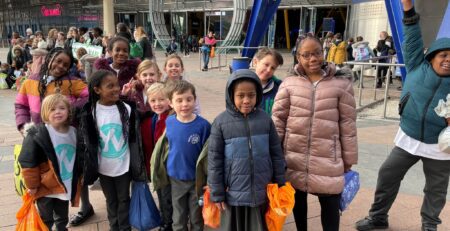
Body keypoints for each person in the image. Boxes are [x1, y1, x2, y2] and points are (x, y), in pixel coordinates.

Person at [355, 1, 450, 230]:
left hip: (439, 145)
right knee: (387, 174)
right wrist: (407, 8)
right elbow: (412, 34)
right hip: (407, 137)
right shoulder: (417, 64)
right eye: (444, 55)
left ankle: (429, 225)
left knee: (436, 189)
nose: (448, 60)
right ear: (433, 56)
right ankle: (378, 217)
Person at [272, 36, 358, 231]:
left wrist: (349, 157)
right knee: (298, 204)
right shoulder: (289, 84)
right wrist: (275, 153)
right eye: (307, 55)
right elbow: (278, 121)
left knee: (330, 207)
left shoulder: (341, 84)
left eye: (317, 53)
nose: (313, 59)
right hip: (293, 157)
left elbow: (348, 124)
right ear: (298, 57)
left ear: (324, 52)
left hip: (328, 158)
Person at [208, 69, 286, 230]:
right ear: (231, 96)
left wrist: (280, 183)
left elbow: (276, 153)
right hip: (233, 192)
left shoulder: (265, 119)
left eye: (251, 95)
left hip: (261, 190)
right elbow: (214, 161)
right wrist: (217, 192)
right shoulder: (220, 123)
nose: (246, 100)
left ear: (258, 94)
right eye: (240, 95)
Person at [79, 70, 147, 231]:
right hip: (104, 167)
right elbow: (87, 140)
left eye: (116, 85)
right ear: (97, 90)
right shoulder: (91, 112)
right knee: (110, 200)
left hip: (124, 165)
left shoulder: (126, 109)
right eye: (110, 86)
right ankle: (114, 226)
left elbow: (137, 130)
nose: (116, 89)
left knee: (124, 198)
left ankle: (124, 227)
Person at [152, 80, 211, 231]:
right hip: (175, 179)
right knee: (178, 216)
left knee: (197, 215)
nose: (184, 104)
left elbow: (209, 155)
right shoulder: (170, 122)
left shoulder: (204, 126)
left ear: (194, 100)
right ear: (170, 103)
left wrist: (210, 179)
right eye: (179, 100)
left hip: (196, 181)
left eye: (188, 99)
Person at [18, 93, 83, 231]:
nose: (57, 112)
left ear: (68, 111)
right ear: (45, 112)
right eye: (52, 109)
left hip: (65, 184)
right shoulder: (37, 133)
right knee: (46, 218)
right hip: (45, 186)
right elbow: (28, 161)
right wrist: (32, 185)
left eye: (61, 108)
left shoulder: (74, 132)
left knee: (62, 218)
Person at [14, 47, 88, 132]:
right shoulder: (30, 81)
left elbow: (91, 96)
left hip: (65, 134)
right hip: (39, 135)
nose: (61, 66)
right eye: (58, 61)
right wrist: (24, 125)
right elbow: (21, 105)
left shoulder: (73, 82)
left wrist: (72, 108)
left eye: (65, 65)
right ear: (49, 59)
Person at [146, 82, 173, 231]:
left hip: (168, 165)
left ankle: (168, 223)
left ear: (169, 100)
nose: (157, 104)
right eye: (153, 101)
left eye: (161, 99)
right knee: (161, 193)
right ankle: (165, 220)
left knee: (167, 195)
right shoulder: (156, 117)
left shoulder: (170, 118)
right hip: (159, 164)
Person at [252, 47, 284, 115]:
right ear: (255, 62)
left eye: (273, 68)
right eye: (266, 65)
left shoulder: (279, 88)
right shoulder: (243, 84)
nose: (269, 70)